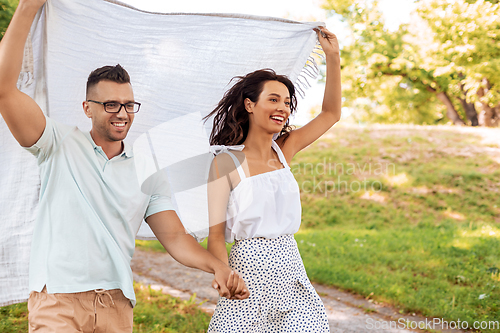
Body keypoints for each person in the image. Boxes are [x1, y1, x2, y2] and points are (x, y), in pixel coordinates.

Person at [0, 1, 249, 332]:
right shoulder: (57, 143)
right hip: (58, 302)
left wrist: (217, 267)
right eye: (111, 104)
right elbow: (4, 90)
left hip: (116, 306)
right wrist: (28, 7)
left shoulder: (147, 168)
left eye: (129, 104)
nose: (122, 113)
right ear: (87, 108)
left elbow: (175, 236)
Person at [204, 26, 340, 332]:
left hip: (290, 268)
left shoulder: (284, 150)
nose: (283, 108)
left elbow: (331, 113)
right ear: (250, 105)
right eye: (274, 99)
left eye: (287, 102)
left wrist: (333, 56)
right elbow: (215, 236)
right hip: (248, 275)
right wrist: (224, 273)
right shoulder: (226, 162)